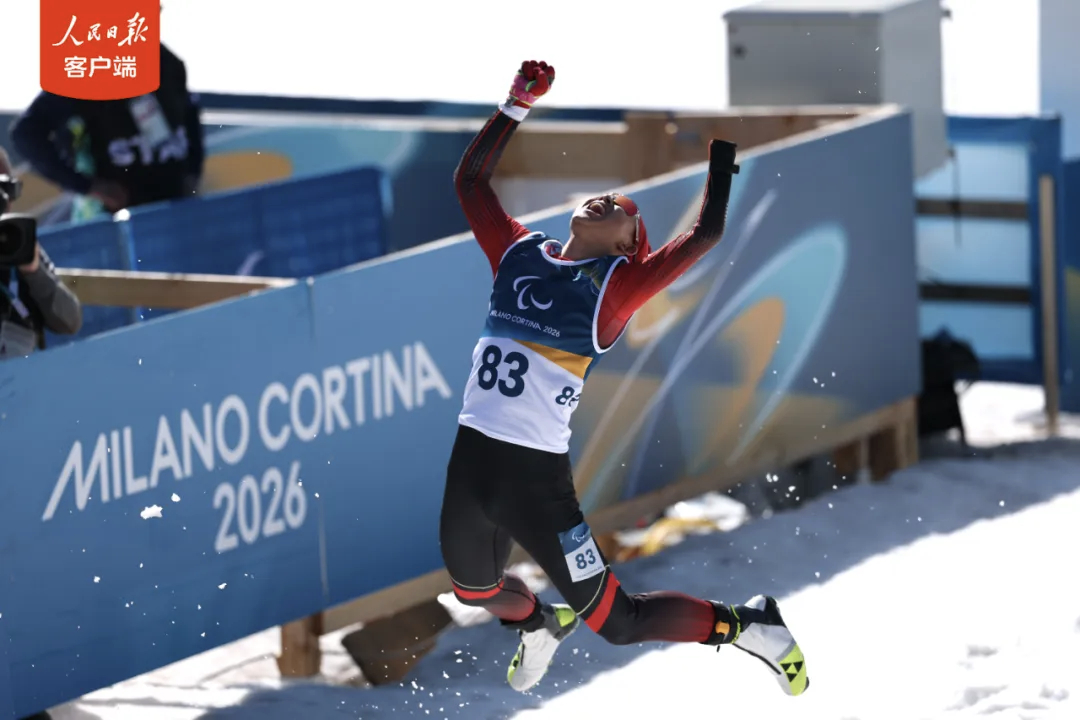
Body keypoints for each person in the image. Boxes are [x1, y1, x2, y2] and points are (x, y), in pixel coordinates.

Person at [439, 60, 809, 697]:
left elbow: (705, 233)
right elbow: (470, 181)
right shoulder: (518, 251)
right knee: (472, 590)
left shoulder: (612, 289)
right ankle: (540, 624)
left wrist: (722, 157)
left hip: (535, 481)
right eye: (609, 197)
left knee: (619, 623)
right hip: (472, 457)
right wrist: (516, 104)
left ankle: (751, 625)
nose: (609, 199)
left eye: (624, 211)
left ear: (625, 246)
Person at [8, 39, 204, 222]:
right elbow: (25, 135)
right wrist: (88, 186)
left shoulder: (167, 62)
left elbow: (190, 115)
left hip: (175, 211)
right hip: (112, 222)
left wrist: (193, 172)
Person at [0, 147, 83, 360]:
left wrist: (34, 272)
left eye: (7, 189)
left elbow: (69, 322)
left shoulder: (17, 240)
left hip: (18, 371)